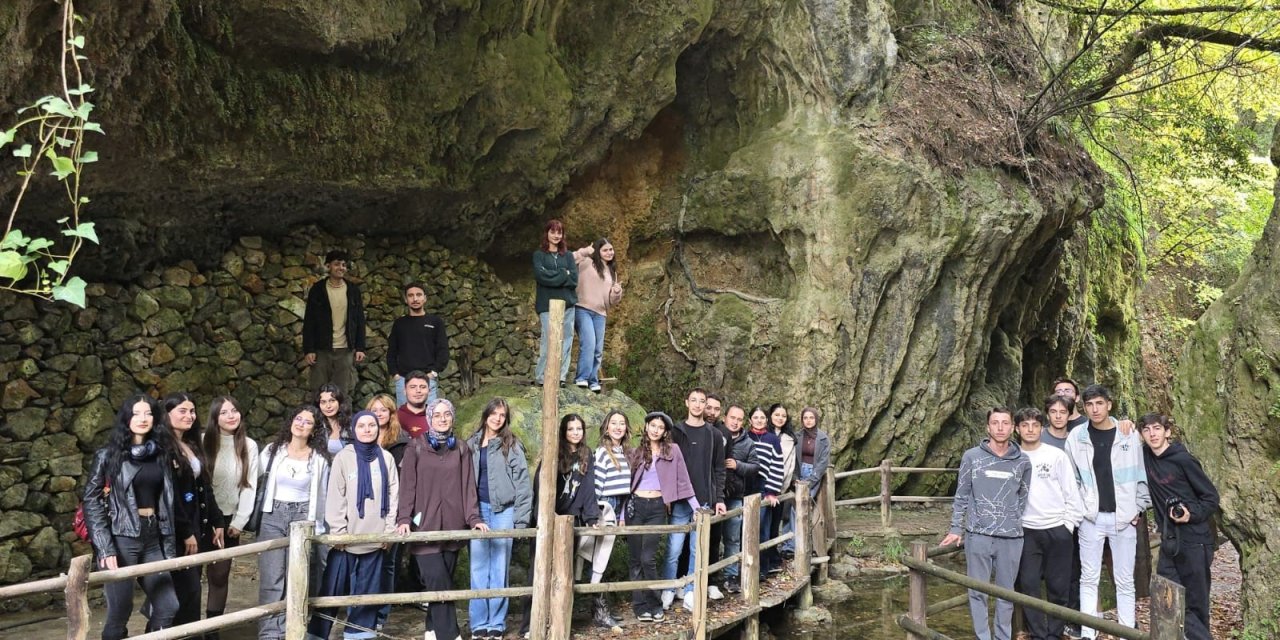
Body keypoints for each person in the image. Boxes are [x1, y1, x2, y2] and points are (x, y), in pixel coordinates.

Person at [83, 394, 182, 639]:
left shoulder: (161, 454)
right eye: (136, 413)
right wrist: (105, 548)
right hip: (121, 538)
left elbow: (170, 500)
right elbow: (91, 500)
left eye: (148, 413)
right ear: (127, 418)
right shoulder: (108, 455)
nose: (143, 418)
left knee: (168, 605)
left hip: (153, 537)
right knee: (120, 612)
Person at [396, 398, 488, 640]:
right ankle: (450, 634)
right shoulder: (415, 447)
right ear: (429, 418)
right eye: (437, 415)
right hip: (423, 526)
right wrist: (404, 518)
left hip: (453, 526)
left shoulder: (461, 448)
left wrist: (473, 517)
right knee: (439, 583)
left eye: (447, 414)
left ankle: (431, 630)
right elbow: (407, 487)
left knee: (442, 582)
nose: (443, 418)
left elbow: (468, 486)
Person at [1064, 384, 1150, 639]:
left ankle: (1125, 632)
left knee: (1124, 581)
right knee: (1088, 579)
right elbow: (1072, 479)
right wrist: (1080, 509)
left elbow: (1140, 474)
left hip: (1124, 518)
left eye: (1099, 403)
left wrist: (1139, 508)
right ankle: (1089, 634)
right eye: (1089, 405)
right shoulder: (1076, 437)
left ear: (1109, 404)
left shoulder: (1128, 434)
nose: (1094, 409)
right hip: (1091, 518)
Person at [940, 407, 1031, 640]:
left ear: (1012, 427)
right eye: (995, 423)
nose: (1000, 427)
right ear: (987, 427)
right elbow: (961, 495)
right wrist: (955, 528)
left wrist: (1010, 520)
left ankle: (1002, 637)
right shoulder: (972, 457)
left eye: (1005, 423)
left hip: (1011, 537)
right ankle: (983, 637)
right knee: (977, 591)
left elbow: (1022, 495)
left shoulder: (1022, 460)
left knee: (1006, 594)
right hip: (978, 535)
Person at [309, 411, 399, 640]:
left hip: (376, 537)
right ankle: (317, 634)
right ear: (355, 430)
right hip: (346, 538)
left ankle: (358, 634)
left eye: (372, 425)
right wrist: (339, 531)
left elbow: (393, 495)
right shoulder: (344, 457)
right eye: (362, 425)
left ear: (378, 429)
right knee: (332, 587)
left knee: (368, 590)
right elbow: (335, 496)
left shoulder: (386, 458)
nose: (367, 429)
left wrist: (388, 532)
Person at [1139, 413, 1219, 640]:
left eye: (1157, 428)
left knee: (1196, 602)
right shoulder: (1145, 455)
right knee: (1167, 594)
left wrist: (1190, 514)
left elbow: (1211, 498)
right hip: (1169, 541)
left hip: (1195, 539)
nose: (1152, 434)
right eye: (1147, 430)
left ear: (1167, 432)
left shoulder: (1184, 460)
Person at [257, 406, 332, 640]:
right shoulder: (272, 451)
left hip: (303, 517)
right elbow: (254, 480)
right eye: (298, 419)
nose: (301, 424)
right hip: (273, 516)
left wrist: (318, 525)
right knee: (272, 577)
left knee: (298, 577)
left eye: (307, 422)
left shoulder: (319, 459)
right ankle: (270, 633)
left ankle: (294, 629)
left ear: (314, 429)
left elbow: (322, 495)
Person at [1012, 407, 1084, 640]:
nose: (1030, 429)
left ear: (1041, 428)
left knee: (1058, 586)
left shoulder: (1056, 456)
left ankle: (1054, 633)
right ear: (1017, 429)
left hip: (1057, 528)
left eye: (1035, 425)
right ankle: (1038, 633)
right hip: (1026, 530)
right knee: (1029, 585)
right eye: (1025, 425)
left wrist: (1068, 526)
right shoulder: (1012, 458)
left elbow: (1072, 493)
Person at [467, 398, 533, 639]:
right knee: (478, 567)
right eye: (493, 413)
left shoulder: (511, 444)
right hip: (478, 510)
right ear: (485, 415)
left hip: (504, 510)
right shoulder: (471, 444)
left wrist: (521, 520)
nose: (497, 418)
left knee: (499, 568)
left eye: (502, 415)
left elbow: (523, 484)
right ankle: (478, 624)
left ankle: (496, 623)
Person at [627, 412, 699, 623]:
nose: (655, 430)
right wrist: (622, 515)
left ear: (665, 431)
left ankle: (655, 603)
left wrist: (696, 507)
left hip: (657, 507)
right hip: (635, 506)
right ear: (646, 427)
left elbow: (684, 481)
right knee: (635, 560)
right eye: (652, 425)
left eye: (660, 427)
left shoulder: (673, 450)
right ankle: (640, 606)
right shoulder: (637, 451)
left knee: (647, 558)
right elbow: (626, 486)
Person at [161, 393, 225, 630]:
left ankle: (189, 633)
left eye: (192, 411)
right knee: (180, 592)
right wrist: (185, 531)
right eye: (182, 411)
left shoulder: (190, 444)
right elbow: (169, 497)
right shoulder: (161, 448)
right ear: (167, 415)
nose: (189, 416)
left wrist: (216, 520)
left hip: (197, 526)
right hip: (175, 532)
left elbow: (203, 487)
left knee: (191, 591)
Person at [664, 388, 727, 611]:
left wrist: (719, 498)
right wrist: (668, 496)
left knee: (696, 549)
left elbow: (719, 469)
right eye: (694, 401)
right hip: (680, 499)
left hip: (704, 500)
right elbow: (667, 464)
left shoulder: (714, 434)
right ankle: (669, 588)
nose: (698, 405)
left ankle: (691, 590)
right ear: (686, 403)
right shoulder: (676, 432)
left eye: (702, 401)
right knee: (674, 548)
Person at [203, 395, 259, 630]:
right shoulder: (202, 441)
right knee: (188, 575)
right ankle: (185, 627)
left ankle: (212, 628)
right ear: (215, 417)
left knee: (219, 575)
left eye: (234, 410)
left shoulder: (249, 445)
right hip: (201, 517)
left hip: (229, 520)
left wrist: (239, 520)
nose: (231, 416)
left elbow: (249, 485)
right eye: (224, 412)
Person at [365, 393, 408, 632]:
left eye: (384, 410)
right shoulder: (361, 437)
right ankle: (363, 612)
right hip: (366, 510)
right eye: (375, 409)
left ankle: (381, 614)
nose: (379, 414)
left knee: (387, 565)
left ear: (392, 414)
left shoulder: (402, 443)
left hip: (392, 508)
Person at [589, 411, 633, 626]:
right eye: (613, 423)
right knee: (598, 558)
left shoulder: (624, 453)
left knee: (604, 559)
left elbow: (626, 489)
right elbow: (596, 485)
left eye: (621, 423)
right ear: (606, 427)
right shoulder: (601, 453)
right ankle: (599, 610)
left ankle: (601, 607)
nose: (617, 427)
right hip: (604, 506)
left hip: (617, 506)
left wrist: (622, 514)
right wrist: (595, 515)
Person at [303, 250, 367, 396]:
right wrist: (309, 349)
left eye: (344, 265)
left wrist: (360, 347)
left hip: (345, 349)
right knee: (318, 391)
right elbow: (309, 320)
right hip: (321, 349)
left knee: (342, 392)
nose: (341, 268)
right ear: (328, 266)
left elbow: (359, 320)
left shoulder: (353, 290)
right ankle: (319, 419)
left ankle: (342, 419)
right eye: (337, 264)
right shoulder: (318, 289)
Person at [572, 238, 623, 392]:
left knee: (598, 349)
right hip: (583, 308)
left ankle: (593, 380)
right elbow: (568, 259)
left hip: (600, 313)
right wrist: (584, 251)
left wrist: (616, 292)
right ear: (598, 251)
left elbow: (610, 302)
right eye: (605, 250)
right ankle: (582, 378)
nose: (609, 253)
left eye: (611, 250)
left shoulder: (611, 272)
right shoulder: (587, 262)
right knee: (589, 343)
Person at [387, 282, 449, 407]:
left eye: (419, 295)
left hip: (427, 379)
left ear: (425, 298)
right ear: (406, 299)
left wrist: (434, 373)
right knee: (404, 421)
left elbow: (443, 350)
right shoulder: (399, 324)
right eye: (410, 295)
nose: (415, 299)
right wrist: (395, 375)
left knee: (429, 420)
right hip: (403, 380)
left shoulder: (436, 322)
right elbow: (392, 351)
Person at [532, 219, 578, 386]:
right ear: (547, 233)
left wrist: (555, 276)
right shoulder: (539, 255)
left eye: (559, 232)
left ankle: (561, 376)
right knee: (548, 340)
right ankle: (542, 377)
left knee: (566, 340)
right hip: (546, 305)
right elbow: (540, 276)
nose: (556, 235)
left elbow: (573, 279)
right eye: (553, 232)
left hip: (568, 304)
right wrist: (562, 274)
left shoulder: (569, 255)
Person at [720, 404, 758, 594]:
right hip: (715, 495)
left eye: (739, 419)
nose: (735, 422)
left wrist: (738, 465)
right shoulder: (716, 435)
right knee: (710, 538)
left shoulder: (747, 442)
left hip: (735, 495)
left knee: (733, 538)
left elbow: (755, 467)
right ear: (725, 417)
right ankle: (709, 577)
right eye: (732, 418)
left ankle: (730, 575)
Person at [746, 407, 785, 574]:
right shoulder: (745, 437)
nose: (759, 420)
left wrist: (771, 491)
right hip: (746, 484)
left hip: (763, 486)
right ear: (750, 420)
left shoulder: (772, 439)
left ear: (766, 420)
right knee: (745, 528)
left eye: (762, 417)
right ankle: (745, 566)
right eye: (756, 417)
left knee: (762, 527)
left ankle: (761, 569)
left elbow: (777, 466)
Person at [769, 404, 798, 562]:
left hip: (782, 488)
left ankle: (773, 555)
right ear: (770, 416)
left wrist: (785, 485)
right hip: (765, 489)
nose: (780, 418)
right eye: (776, 415)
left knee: (775, 524)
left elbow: (790, 464)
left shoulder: (790, 439)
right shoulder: (764, 434)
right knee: (763, 525)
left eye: (783, 416)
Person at [318, 383, 352, 457]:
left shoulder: (350, 425)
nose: (328, 406)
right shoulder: (315, 427)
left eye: (332, 401)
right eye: (323, 402)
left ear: (339, 402)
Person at [396, 371, 432, 439]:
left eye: (423, 387)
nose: (418, 390)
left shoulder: (436, 416)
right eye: (413, 387)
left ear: (429, 391)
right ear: (405, 391)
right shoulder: (395, 418)